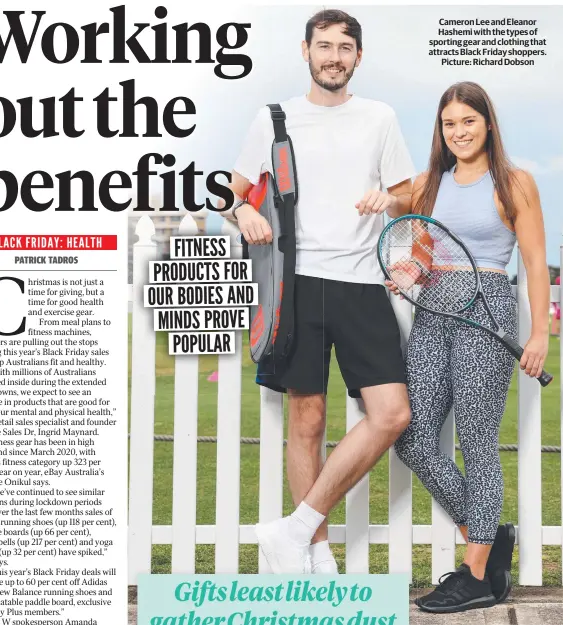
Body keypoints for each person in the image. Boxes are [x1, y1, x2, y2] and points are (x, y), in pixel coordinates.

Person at [221, 9, 415, 573]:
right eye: (324, 45)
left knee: (391, 414)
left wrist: (391, 200)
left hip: (360, 284)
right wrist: (240, 211)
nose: (334, 56)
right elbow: (227, 191)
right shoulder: (272, 119)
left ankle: (296, 529)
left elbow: (406, 192)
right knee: (307, 423)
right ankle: (317, 553)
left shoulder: (379, 117)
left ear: (359, 56)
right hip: (297, 288)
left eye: (344, 47)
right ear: (304, 51)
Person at [388, 82, 550, 613]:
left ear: (487, 125)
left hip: (486, 311)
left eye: (467, 122)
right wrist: (407, 271)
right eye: (448, 124)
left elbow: (531, 262)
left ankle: (477, 571)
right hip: (433, 310)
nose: (458, 133)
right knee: (411, 437)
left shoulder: (515, 182)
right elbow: (421, 252)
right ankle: (488, 532)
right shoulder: (427, 184)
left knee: (477, 442)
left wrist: (541, 334)